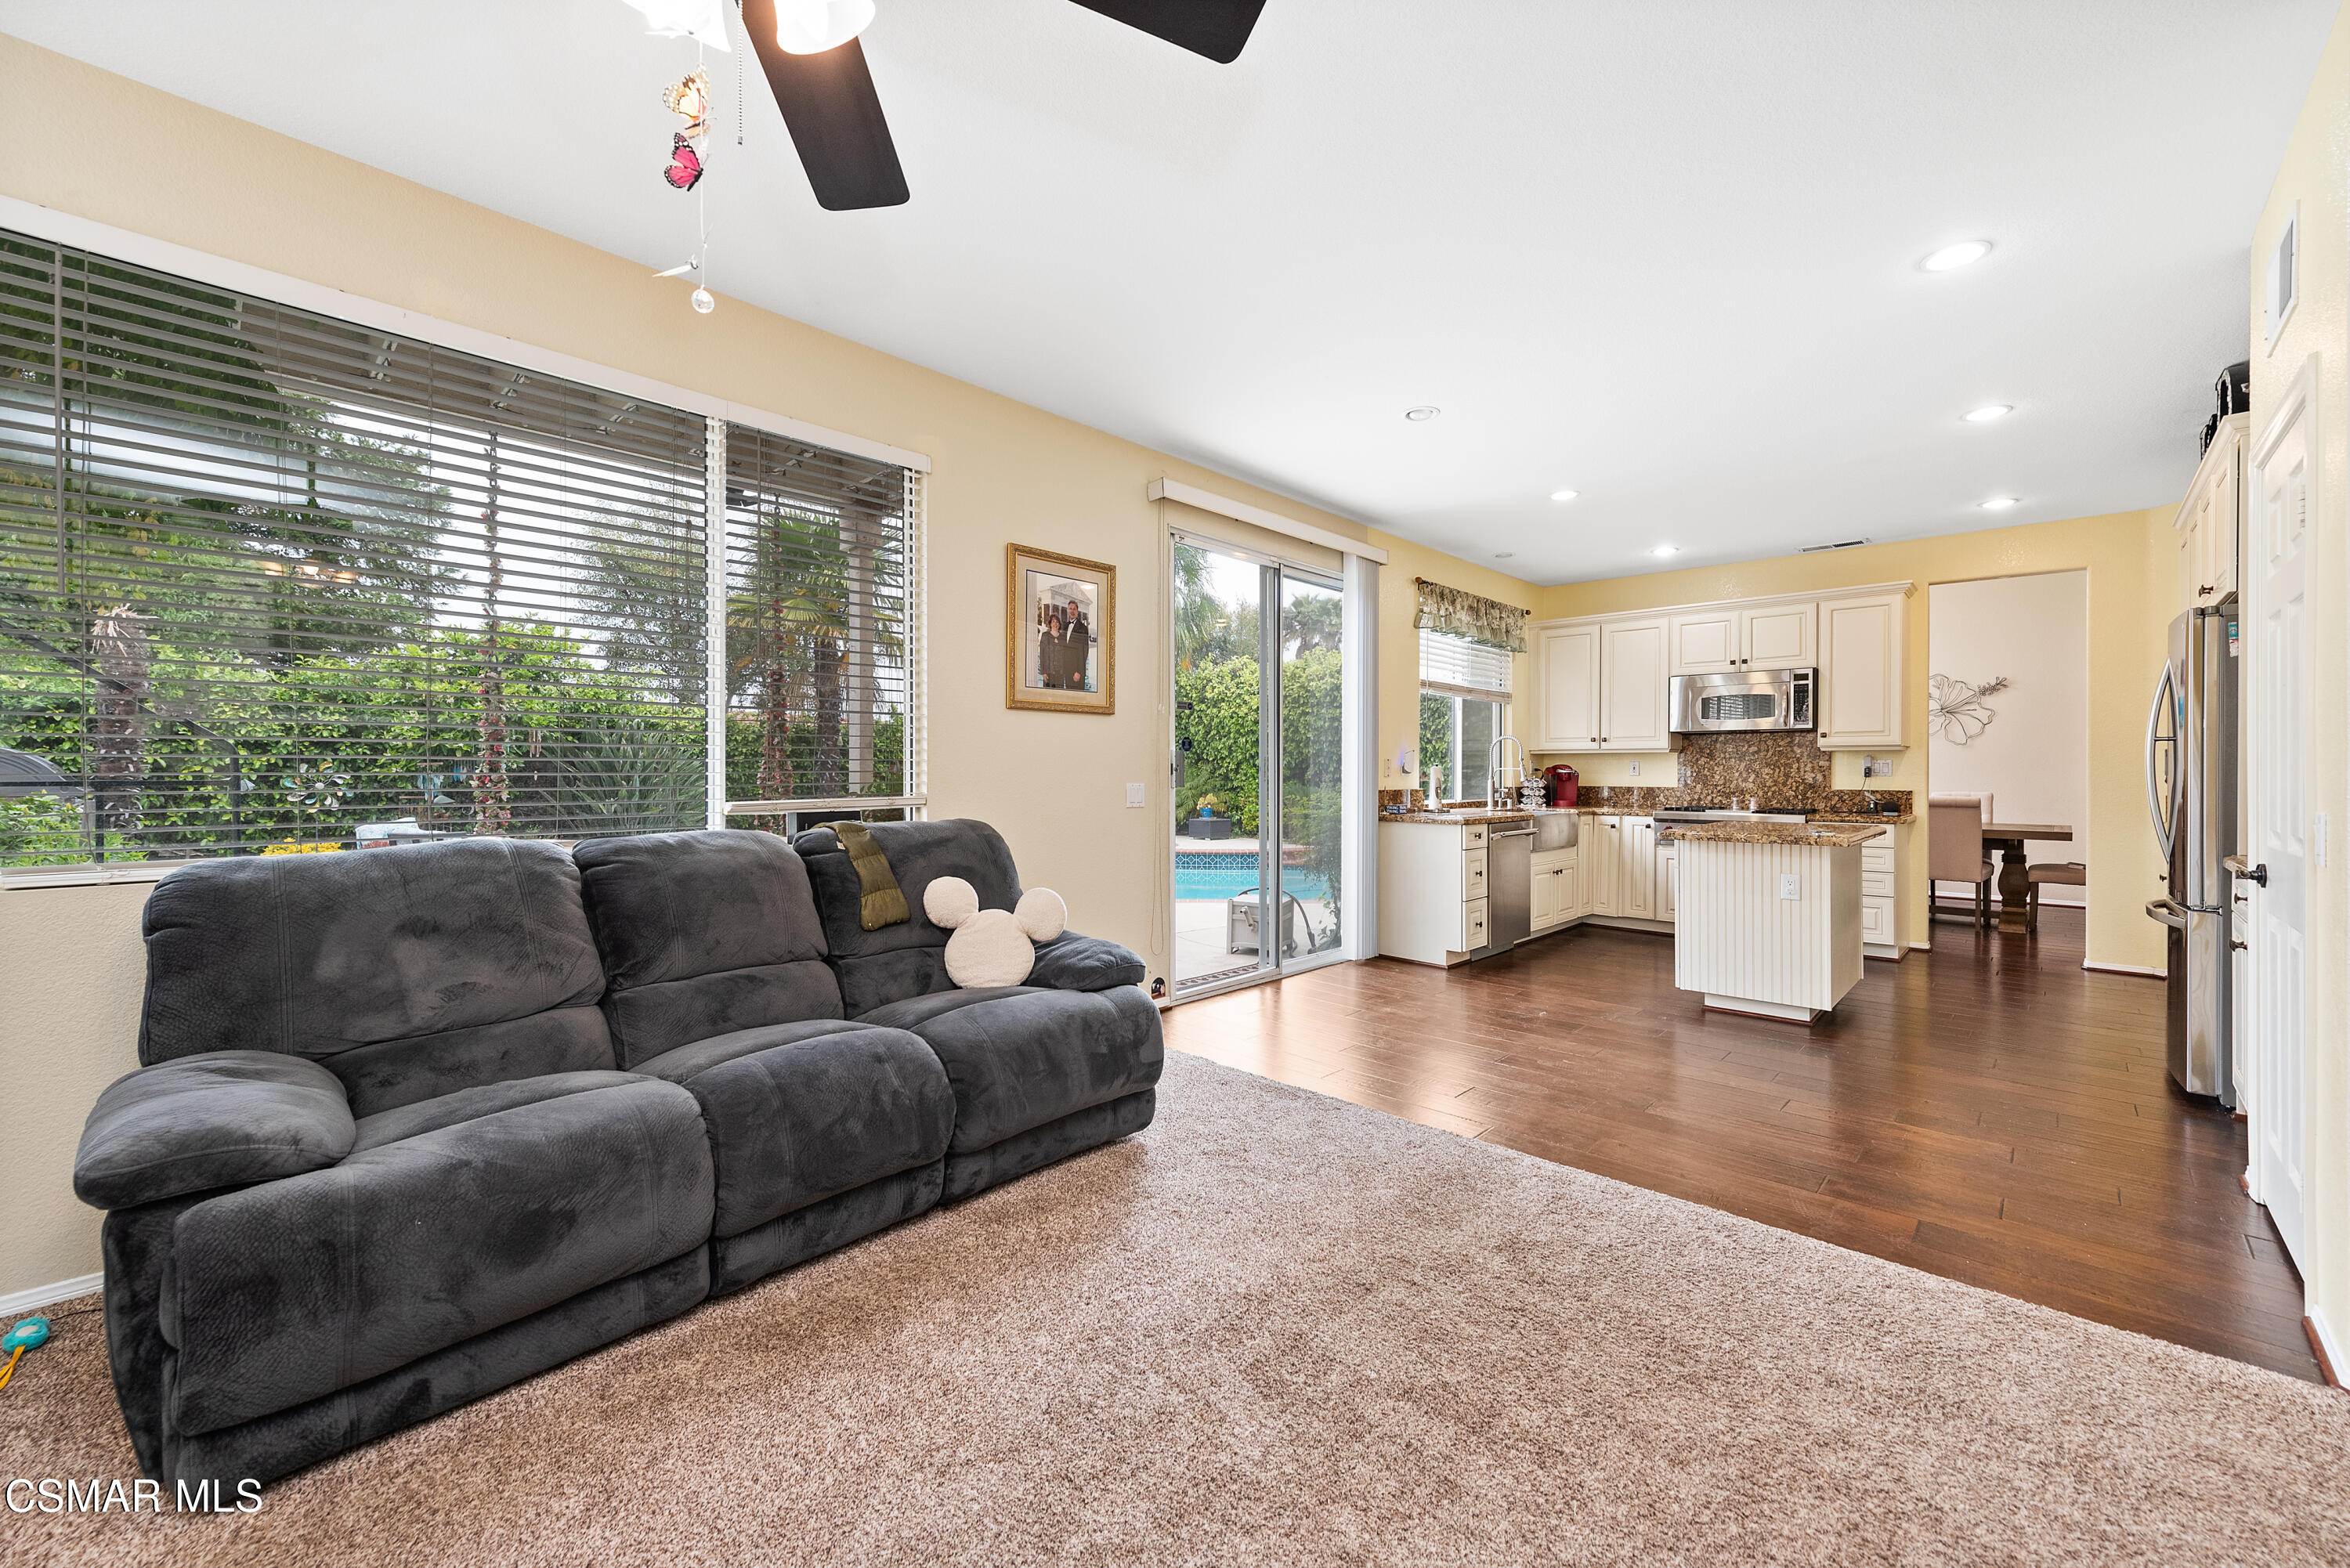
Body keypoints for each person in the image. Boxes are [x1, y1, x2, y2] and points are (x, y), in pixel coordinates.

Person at [1065, 604, 1092, 692]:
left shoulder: (1083, 628)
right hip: (1067, 668)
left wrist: (1079, 671)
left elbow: (1084, 652)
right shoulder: (1065, 626)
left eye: (1074, 609)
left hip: (1077, 671)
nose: (1072, 611)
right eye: (1070, 609)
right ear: (1068, 610)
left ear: (1077, 612)